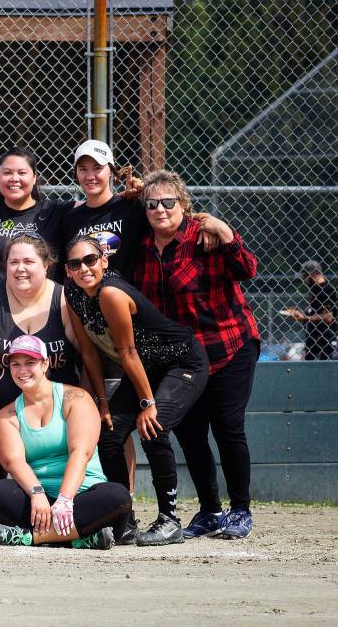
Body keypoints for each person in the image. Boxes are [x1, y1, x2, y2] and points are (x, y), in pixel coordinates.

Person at [134, 171, 261, 539]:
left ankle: (240, 510)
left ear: (184, 205)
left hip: (226, 345)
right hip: (180, 359)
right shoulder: (140, 247)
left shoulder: (203, 237)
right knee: (189, 433)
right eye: (152, 203)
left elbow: (248, 269)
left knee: (227, 427)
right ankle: (209, 511)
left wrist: (225, 233)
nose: (161, 210)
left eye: (169, 202)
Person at [64, 235, 209, 545]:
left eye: (90, 260)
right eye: (75, 264)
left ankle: (169, 520)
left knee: (153, 427)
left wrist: (147, 403)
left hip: (180, 361)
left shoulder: (111, 294)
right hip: (146, 369)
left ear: (104, 260)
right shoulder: (73, 293)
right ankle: (123, 518)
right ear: (68, 270)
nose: (84, 268)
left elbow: (128, 352)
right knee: (109, 434)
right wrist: (102, 402)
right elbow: (90, 352)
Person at [0, 233, 97, 489]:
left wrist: (83, 399)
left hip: (53, 413)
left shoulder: (63, 299)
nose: (20, 269)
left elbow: (88, 354)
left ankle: (68, 505)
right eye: (13, 262)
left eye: (28, 261)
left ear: (45, 265)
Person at [0, 335, 131, 549]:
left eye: (30, 362)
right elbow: (14, 462)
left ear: (45, 363)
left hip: (81, 496)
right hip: (38, 502)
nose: (22, 371)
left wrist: (65, 500)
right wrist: (36, 494)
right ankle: (80, 539)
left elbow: (81, 452)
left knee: (117, 497)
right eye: (15, 364)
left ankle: (31, 538)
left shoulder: (75, 398)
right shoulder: (7, 415)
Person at [0, 148, 72, 292]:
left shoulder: (55, 211)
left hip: (41, 308)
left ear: (34, 178)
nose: (14, 178)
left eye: (22, 173)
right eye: (7, 172)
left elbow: (97, 205)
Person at [60, 140, 149, 280]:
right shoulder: (70, 220)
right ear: (76, 174)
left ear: (111, 171)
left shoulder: (132, 207)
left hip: (126, 296)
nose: (90, 176)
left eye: (97, 168)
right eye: (83, 169)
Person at [284, 260, 336, 361]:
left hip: (325, 345)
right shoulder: (316, 291)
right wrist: (300, 316)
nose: (304, 280)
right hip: (314, 344)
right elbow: (314, 315)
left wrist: (305, 318)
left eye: (305, 277)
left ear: (312, 274)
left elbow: (328, 317)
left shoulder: (326, 290)